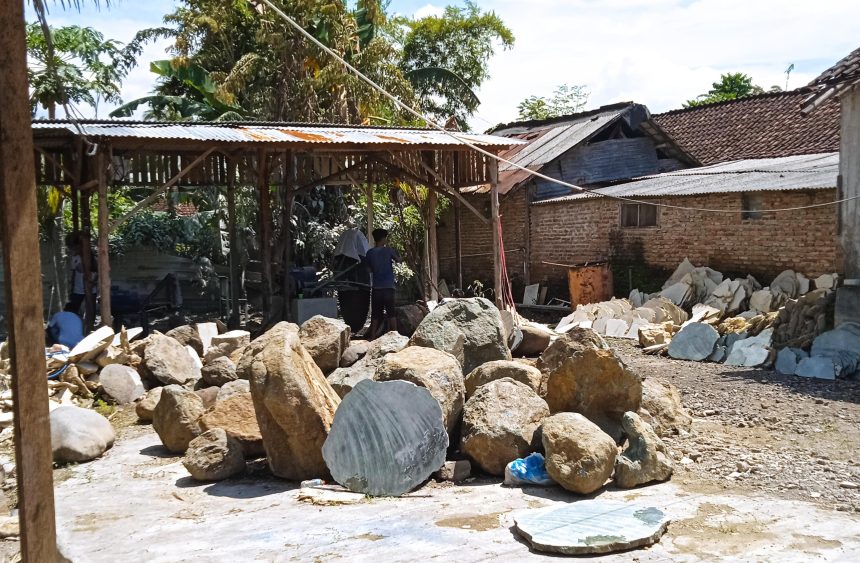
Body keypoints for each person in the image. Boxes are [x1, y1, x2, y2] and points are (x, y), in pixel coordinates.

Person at [365, 228, 401, 339]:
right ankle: (395, 336)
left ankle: (372, 336)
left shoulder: (370, 253)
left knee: (375, 314)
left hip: (376, 287)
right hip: (388, 287)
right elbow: (398, 260)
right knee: (391, 313)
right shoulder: (388, 251)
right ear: (384, 238)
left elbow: (369, 270)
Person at [64, 233, 97, 315]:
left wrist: (94, 282)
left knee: (91, 309)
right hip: (78, 289)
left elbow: (97, 272)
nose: (75, 249)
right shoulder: (75, 258)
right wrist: (72, 287)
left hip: (91, 288)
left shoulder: (92, 257)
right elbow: (74, 274)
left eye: (77, 247)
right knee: (74, 308)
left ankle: (90, 325)